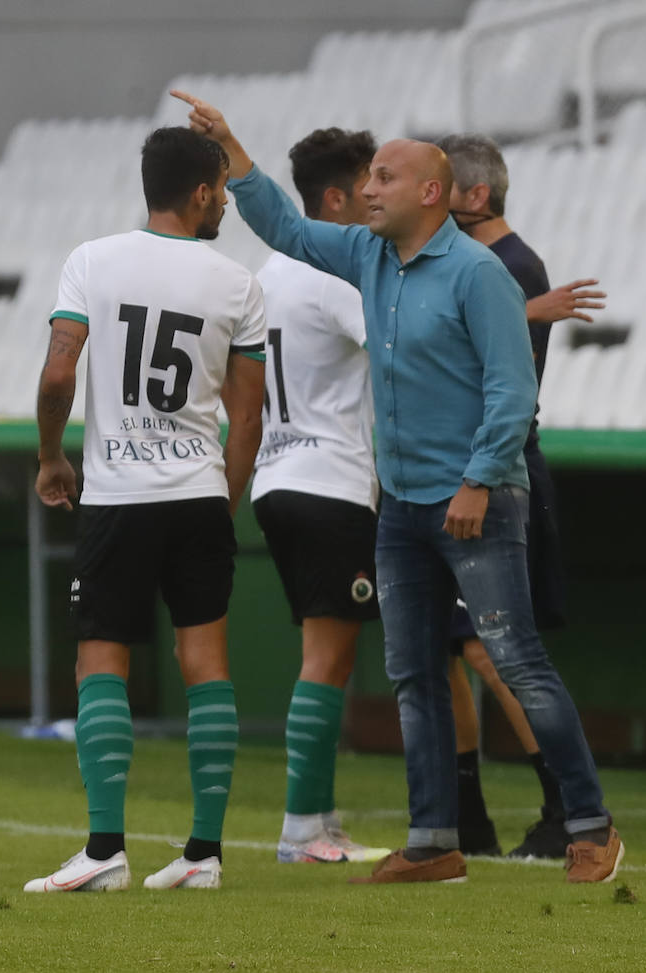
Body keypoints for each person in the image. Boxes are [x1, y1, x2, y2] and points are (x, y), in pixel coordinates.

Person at [172, 88, 622, 885]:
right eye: (368, 177)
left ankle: (591, 825)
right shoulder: (369, 257)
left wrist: (480, 480)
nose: (368, 189)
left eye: (383, 177)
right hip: (402, 506)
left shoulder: (478, 275)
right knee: (414, 673)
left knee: (516, 659)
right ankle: (434, 841)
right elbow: (284, 225)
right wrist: (234, 151)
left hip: (477, 500)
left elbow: (512, 392)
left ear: (430, 194)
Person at [25, 126, 268, 892]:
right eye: (223, 188)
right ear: (200, 192)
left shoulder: (92, 260)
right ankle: (204, 854)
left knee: (101, 656)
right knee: (207, 667)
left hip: (119, 493)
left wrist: (51, 455)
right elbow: (250, 419)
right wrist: (222, 503)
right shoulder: (239, 284)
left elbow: (59, 374)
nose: (225, 199)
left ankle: (104, 851)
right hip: (197, 493)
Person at [437, 133, 605, 860]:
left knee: (492, 646)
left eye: (438, 187)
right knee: (446, 646)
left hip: (496, 471)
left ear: (475, 196)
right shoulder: (487, 266)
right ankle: (466, 810)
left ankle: (564, 806)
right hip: (456, 468)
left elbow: (494, 374)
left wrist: (529, 311)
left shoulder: (507, 266)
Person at [250, 126, 389, 865]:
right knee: (327, 657)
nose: (376, 198)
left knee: (323, 651)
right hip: (328, 479)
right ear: (335, 197)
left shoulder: (267, 274)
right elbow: (395, 346)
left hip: (275, 477)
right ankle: (303, 829)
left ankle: (320, 819)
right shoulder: (335, 275)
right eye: (368, 185)